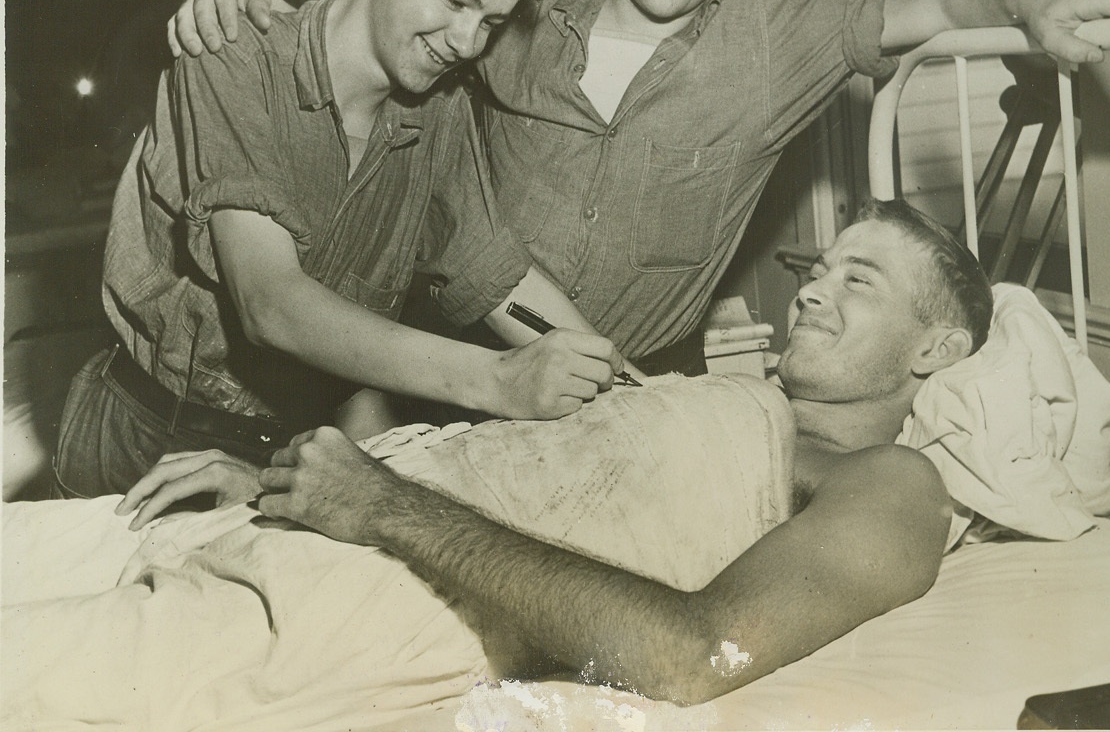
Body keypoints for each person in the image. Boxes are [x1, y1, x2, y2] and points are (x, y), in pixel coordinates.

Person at [169, 0, 1110, 377]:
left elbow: (939, 2)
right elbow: (394, 15)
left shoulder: (775, 37)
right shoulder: (520, 10)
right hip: (458, 365)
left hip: (638, 387)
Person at [115, 198, 992, 707]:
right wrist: (272, 487)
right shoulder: (717, 403)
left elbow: (694, 655)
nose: (810, 293)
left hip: (348, 589)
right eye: (820, 268)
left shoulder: (893, 485)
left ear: (937, 352)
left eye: (858, 281)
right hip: (288, 526)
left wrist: (378, 503)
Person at [54, 0, 627, 501]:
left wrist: (635, 390)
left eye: (492, 21)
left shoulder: (441, 107)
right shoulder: (233, 54)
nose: (468, 42)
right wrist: (499, 380)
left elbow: (503, 285)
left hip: (286, 452)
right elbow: (271, 303)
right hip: (145, 438)